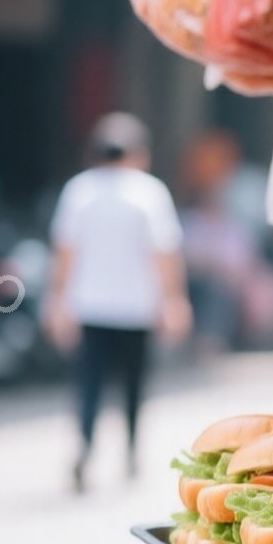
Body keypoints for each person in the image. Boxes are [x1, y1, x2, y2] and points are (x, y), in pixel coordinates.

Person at [47, 113, 192, 492]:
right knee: (133, 382)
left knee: (89, 382)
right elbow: (165, 252)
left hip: (90, 305)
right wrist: (174, 300)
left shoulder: (79, 190)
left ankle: (85, 444)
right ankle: (130, 449)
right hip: (137, 307)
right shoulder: (149, 192)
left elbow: (64, 252)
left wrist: (57, 301)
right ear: (139, 153)